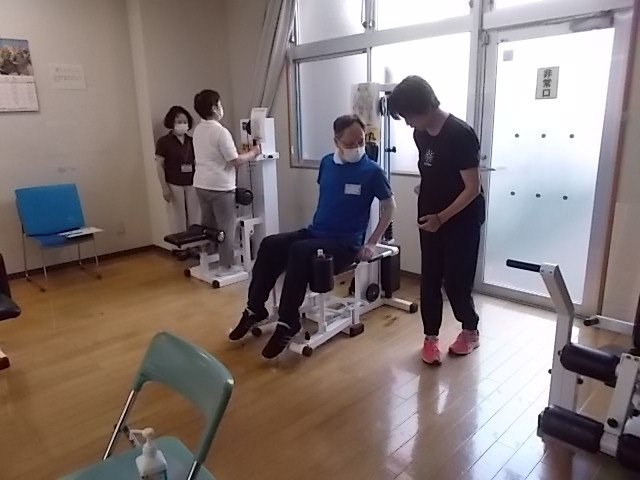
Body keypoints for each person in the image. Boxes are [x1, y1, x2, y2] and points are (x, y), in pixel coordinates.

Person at [228, 115, 396, 359]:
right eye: (350, 144)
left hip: (345, 245)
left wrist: (371, 242)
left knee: (299, 251)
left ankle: (288, 321)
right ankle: (255, 309)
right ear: (336, 141)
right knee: (271, 244)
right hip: (316, 233)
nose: (358, 147)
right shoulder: (327, 163)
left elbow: (390, 207)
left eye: (361, 141)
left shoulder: (373, 172)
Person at [388, 75, 485, 365]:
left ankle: (470, 330)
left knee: (456, 281)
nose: (408, 123)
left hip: (461, 218)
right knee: (429, 279)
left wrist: (441, 218)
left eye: (409, 116)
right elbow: (434, 168)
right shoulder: (420, 134)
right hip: (430, 215)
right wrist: (427, 185)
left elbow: (472, 188)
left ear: (425, 106)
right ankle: (430, 338)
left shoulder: (460, 134)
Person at [192, 89, 261, 276]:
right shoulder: (220, 132)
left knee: (208, 226)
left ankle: (207, 260)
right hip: (220, 187)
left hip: (201, 184)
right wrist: (254, 152)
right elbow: (235, 160)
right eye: (220, 104)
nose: (221, 107)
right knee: (226, 227)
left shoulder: (198, 130)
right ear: (214, 108)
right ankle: (226, 266)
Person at [155, 106, 201, 260]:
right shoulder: (163, 142)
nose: (182, 124)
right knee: (177, 217)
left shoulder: (191, 141)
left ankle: (193, 245)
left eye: (185, 121)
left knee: (194, 216)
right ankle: (180, 248)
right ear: (171, 123)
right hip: (173, 183)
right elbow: (159, 166)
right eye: (179, 122)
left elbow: (197, 162)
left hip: (191, 182)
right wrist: (164, 187)